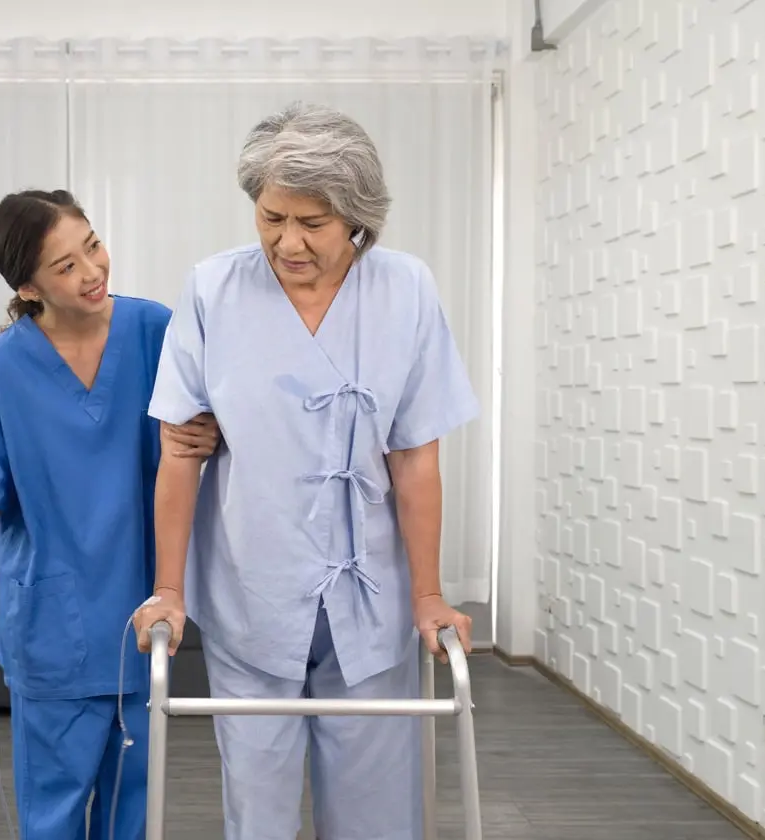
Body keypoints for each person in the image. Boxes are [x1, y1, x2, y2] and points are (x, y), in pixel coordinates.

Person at [134, 101, 480, 840]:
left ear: (356, 217)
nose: (287, 241)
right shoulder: (213, 291)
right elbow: (177, 452)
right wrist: (168, 588)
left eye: (312, 223)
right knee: (256, 814)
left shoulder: (406, 290)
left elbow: (416, 458)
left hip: (373, 604)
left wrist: (428, 594)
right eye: (270, 217)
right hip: (253, 591)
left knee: (376, 817)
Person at [0, 188, 221, 840]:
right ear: (28, 287)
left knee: (130, 816)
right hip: (54, 629)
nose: (92, 272)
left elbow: (201, 438)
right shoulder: (2, 367)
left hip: (139, 619)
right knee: (52, 819)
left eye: (93, 247)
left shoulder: (153, 332)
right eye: (66, 266)